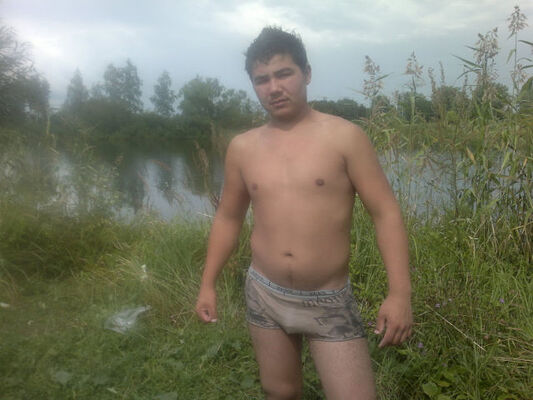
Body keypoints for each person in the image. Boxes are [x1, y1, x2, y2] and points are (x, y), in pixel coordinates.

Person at [195, 26, 413, 400]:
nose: (274, 87)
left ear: (307, 73)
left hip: (328, 298)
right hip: (264, 292)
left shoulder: (345, 137)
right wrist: (207, 283)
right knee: (279, 391)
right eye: (262, 79)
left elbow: (385, 212)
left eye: (284, 74)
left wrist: (400, 293)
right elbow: (229, 217)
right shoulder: (243, 148)